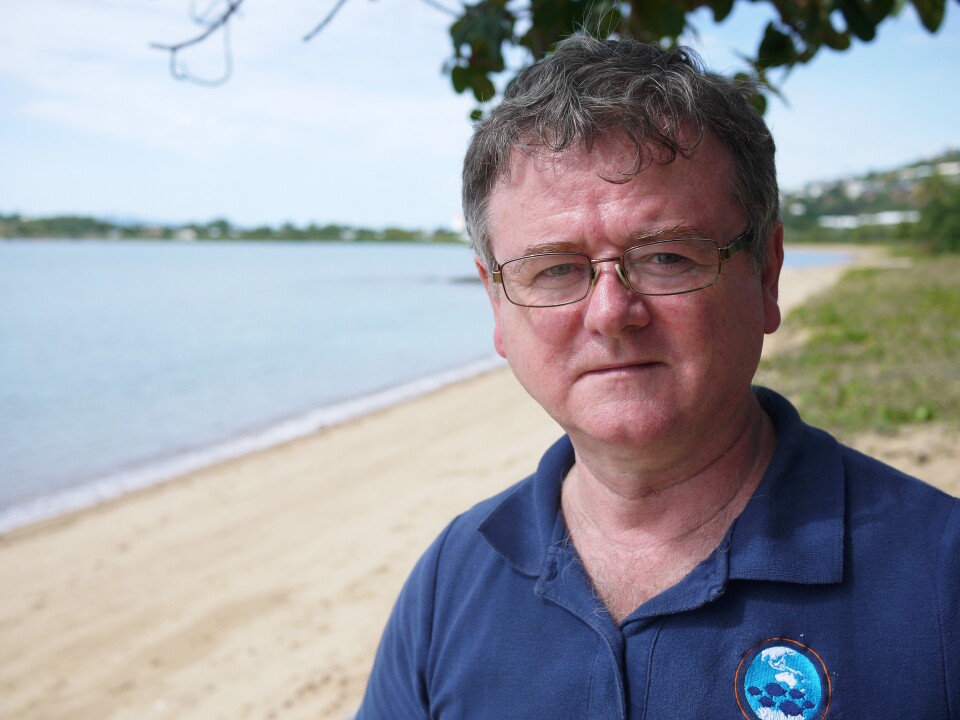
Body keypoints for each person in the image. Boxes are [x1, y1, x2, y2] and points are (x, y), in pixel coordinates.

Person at [356, 36, 959, 719]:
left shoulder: (940, 577)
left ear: (767, 270)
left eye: (667, 256)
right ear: (496, 303)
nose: (611, 313)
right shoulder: (451, 581)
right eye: (555, 269)